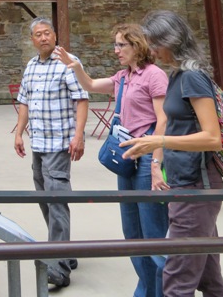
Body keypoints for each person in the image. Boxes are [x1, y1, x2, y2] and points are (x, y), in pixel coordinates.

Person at [55, 23, 169, 297]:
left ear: (137, 46)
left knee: (152, 232)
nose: (116, 50)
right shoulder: (123, 77)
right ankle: (146, 288)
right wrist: (76, 66)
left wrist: (156, 166)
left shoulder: (154, 75)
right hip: (126, 159)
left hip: (146, 157)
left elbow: (164, 120)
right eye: (115, 45)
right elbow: (92, 85)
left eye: (121, 45)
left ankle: (163, 291)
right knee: (131, 232)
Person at [121, 10, 223, 297]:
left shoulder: (192, 77)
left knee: (177, 277)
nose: (152, 51)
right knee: (208, 275)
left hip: (197, 186)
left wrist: (159, 141)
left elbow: (212, 137)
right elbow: (172, 123)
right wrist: (157, 157)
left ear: (173, 40)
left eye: (156, 43)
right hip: (184, 181)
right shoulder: (178, 75)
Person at [14, 17, 89, 289]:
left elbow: (81, 98)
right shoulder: (31, 65)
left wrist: (79, 135)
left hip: (59, 143)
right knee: (45, 198)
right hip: (39, 144)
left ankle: (59, 269)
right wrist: (19, 133)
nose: (44, 38)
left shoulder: (68, 61)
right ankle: (65, 252)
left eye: (48, 33)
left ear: (55, 36)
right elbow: (24, 101)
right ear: (32, 40)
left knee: (56, 200)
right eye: (38, 35)